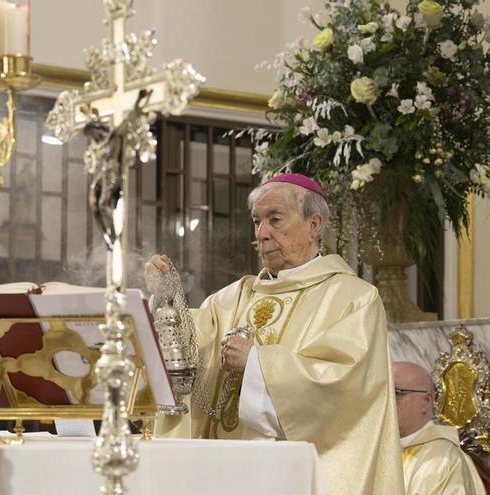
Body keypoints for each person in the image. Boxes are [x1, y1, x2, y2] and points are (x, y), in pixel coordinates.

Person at [145, 173, 404, 495]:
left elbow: (346, 392)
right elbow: (182, 359)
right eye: (257, 222)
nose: (262, 234)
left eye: (275, 220)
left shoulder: (354, 298)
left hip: (296, 479)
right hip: (224, 473)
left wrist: (257, 362)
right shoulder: (231, 299)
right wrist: (168, 300)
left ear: (313, 225)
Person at [393, 362, 486, 495]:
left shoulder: (446, 462)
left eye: (396, 393)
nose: (386, 402)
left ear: (426, 402)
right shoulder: (378, 449)